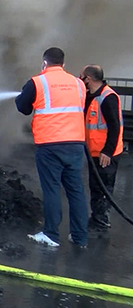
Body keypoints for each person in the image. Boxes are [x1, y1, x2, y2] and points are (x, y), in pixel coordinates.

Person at [15, 47, 88, 248]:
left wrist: (25, 92)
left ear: (44, 63)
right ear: (63, 64)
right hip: (75, 144)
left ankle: (51, 235)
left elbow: (22, 107)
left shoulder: (38, 82)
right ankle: (80, 237)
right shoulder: (78, 83)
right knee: (76, 191)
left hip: (50, 145)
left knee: (52, 190)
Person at [80, 65, 124, 236]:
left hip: (106, 154)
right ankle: (97, 218)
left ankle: (101, 222)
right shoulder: (91, 96)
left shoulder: (107, 98)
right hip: (94, 152)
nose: (80, 79)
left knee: (104, 188)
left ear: (88, 78)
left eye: (82, 76)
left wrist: (107, 151)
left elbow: (115, 127)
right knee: (96, 186)